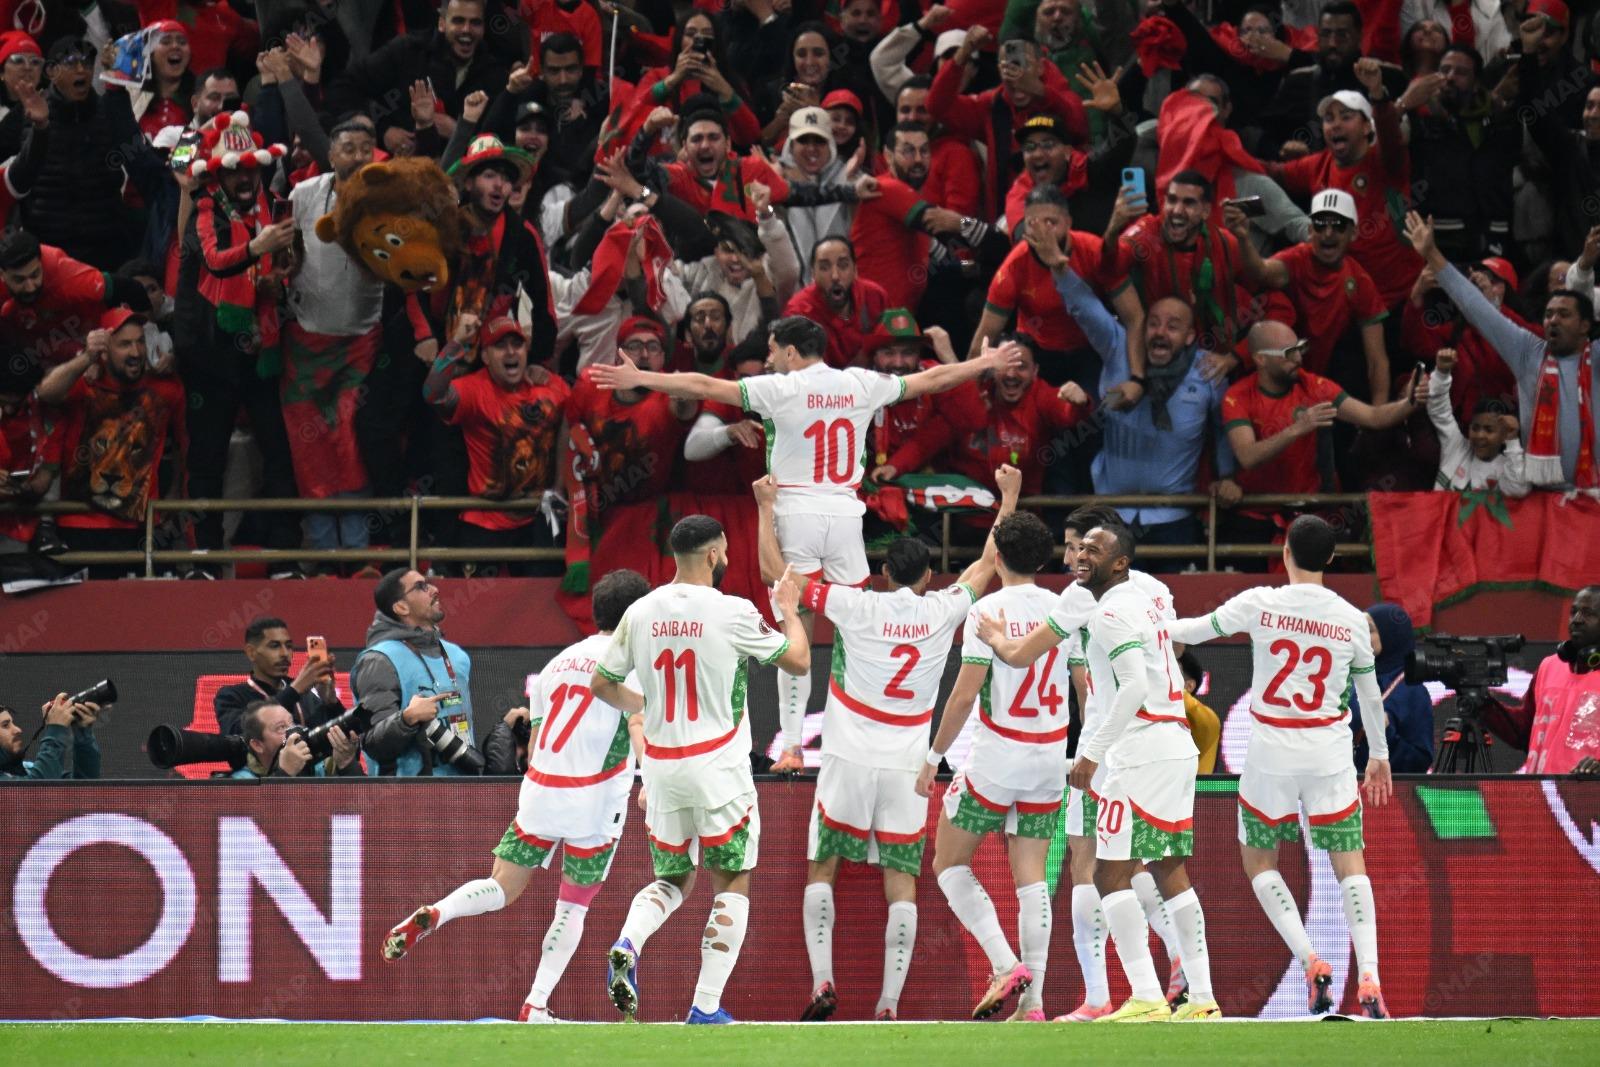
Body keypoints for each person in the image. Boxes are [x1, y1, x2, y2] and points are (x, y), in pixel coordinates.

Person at [589, 315, 1023, 769]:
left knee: (796, 630)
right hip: (845, 517)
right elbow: (932, 380)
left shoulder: (779, 389)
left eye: (774, 350)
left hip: (795, 513)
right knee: (858, 630)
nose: (770, 358)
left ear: (791, 352)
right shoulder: (859, 383)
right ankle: (858, 734)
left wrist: (642, 379)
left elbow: (703, 385)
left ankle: (793, 747)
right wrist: (982, 364)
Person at [756, 465, 1021, 1023]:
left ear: (881, 573)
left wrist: (766, 509)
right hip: (907, 762)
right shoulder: (944, 608)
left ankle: (823, 982)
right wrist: (1009, 498)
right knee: (901, 882)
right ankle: (888, 1005)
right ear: (927, 576)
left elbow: (781, 579)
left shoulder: (856, 605)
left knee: (823, 868)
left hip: (847, 756)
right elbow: (989, 562)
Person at [381, 569, 651, 1023]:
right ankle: (536, 1004)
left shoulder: (555, 665)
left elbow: (537, 738)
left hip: (540, 792)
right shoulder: (634, 668)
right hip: (596, 800)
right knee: (573, 905)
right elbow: (638, 727)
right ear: (636, 619)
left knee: (502, 887)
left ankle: (440, 911)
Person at [1167, 515, 1394, 1019]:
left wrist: (1145, 624)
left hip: (1270, 753)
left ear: (1285, 553)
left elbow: (1195, 630)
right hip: (1329, 753)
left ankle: (1310, 959)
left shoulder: (1261, 602)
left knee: (1260, 863)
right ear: (1331, 558)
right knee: (1350, 865)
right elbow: (1370, 694)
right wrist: (1378, 755)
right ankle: (1371, 975)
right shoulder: (1351, 619)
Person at [590, 515, 812, 1024]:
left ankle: (629, 941)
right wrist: (788, 611)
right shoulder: (732, 611)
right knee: (731, 881)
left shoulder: (640, 612)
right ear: (714, 554)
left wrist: (646, 703)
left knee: (673, 879)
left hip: (663, 770)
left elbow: (602, 684)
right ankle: (705, 1006)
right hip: (719, 769)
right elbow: (799, 661)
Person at [975, 508, 1191, 1019]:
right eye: (1073, 548)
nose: (1074, 558)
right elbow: (1176, 647)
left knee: (1091, 866)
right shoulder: (1154, 589)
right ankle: (1181, 967)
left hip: (1108, 748)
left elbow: (1021, 654)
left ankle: (1108, 994)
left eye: (1082, 547)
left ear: (1111, 556)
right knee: (1144, 864)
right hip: (1160, 739)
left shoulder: (1081, 597)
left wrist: (995, 638)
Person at [913, 512, 1069, 1022]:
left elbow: (963, 696)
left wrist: (932, 758)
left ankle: (1004, 964)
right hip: (1050, 756)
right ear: (1043, 559)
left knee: (949, 863)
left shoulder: (987, 612)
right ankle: (1034, 1004)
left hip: (998, 757)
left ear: (996, 557)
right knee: (1032, 880)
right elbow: (1085, 688)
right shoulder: (1065, 609)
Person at [1066, 524, 1217, 1021]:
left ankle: (1147, 996)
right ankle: (1202, 999)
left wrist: (1091, 754)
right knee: (1169, 868)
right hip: (1174, 743)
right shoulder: (1147, 602)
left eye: (1095, 550)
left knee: (1108, 872)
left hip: (1141, 748)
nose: (1083, 555)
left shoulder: (1109, 613)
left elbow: (1132, 688)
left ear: (1120, 563)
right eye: (1081, 547)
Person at [1038, 224, 1234, 559]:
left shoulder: (1209, 370)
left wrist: (1227, 476)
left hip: (1175, 519)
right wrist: (1060, 269)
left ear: (1190, 336)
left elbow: (1223, 429)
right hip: (1112, 516)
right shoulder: (1119, 349)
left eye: (1173, 327)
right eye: (1153, 323)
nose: (1160, 332)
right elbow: (1086, 309)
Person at [175, 109, 301, 561]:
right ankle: (205, 556)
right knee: (207, 457)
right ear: (218, 176)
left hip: (260, 351)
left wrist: (277, 278)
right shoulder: (205, 210)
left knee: (278, 451)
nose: (245, 178)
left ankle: (284, 554)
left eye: (251, 169)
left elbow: (282, 267)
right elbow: (214, 261)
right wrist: (256, 249)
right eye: (235, 171)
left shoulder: (274, 206)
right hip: (209, 357)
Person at [1406, 212, 1600, 492]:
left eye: (1564, 314)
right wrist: (1432, 254)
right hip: (1542, 500)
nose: (1553, 320)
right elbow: (1474, 305)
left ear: (1585, 326)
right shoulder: (1528, 353)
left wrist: (1583, 269)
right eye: (1548, 314)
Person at [1216, 319, 1422, 547]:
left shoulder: (1314, 386)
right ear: (1260, 359)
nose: (1298, 358)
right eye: (1289, 353)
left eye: (1300, 348)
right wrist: (1297, 428)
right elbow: (1248, 456)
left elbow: (1373, 417)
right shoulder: (1238, 396)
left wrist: (1410, 402)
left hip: (1308, 513)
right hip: (1254, 514)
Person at [35, 310, 187, 574]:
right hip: (79, 522)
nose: (136, 352)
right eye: (125, 344)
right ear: (105, 352)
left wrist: (175, 490)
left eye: (140, 342)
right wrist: (87, 357)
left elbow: (186, 445)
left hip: (142, 525)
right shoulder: (85, 384)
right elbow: (46, 392)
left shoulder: (166, 389)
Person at [424, 312, 569, 576]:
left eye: (517, 344)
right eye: (500, 346)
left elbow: (577, 422)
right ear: (485, 357)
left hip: (537, 520)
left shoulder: (551, 386)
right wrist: (456, 342)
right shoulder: (474, 389)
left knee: (542, 596)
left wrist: (559, 488)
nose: (511, 352)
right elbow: (433, 394)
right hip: (485, 522)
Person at [1231, 189, 1391, 403]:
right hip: (1268, 379)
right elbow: (1260, 271)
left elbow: (1377, 361)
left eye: (1338, 225)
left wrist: (1380, 415)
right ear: (1309, 230)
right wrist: (1243, 238)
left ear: (1353, 233)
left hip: (1315, 384)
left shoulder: (1359, 281)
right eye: (1320, 225)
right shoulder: (1295, 260)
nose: (1328, 233)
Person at [352, 568, 474, 777]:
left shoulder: (457, 656)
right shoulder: (379, 660)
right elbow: (373, 744)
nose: (434, 590)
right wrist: (406, 720)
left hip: (465, 789)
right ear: (401, 607)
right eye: (421, 587)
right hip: (406, 794)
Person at [1483, 586, 1600, 775]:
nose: (1577, 620)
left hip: (1587, 793)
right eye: (1573, 612)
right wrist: (1484, 705)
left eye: (1588, 614)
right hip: (1541, 790)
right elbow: (1523, 733)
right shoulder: (1549, 666)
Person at [1425, 348, 1529, 497]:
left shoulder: (1506, 468)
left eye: (1489, 430)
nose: (1480, 435)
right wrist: (1441, 373)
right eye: (1475, 428)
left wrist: (1512, 441)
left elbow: (1518, 489)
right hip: (1441, 513)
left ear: (1503, 435)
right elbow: (1439, 410)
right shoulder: (1456, 446)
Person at [214, 616, 341, 737]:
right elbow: (238, 733)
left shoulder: (306, 695)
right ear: (251, 652)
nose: (285, 653)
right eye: (274, 646)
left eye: (289, 646)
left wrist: (331, 703)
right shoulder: (232, 696)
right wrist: (294, 690)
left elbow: (343, 739)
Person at [782, 237, 889, 369]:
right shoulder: (800, 312)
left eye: (843, 266)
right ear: (813, 273)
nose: (835, 276)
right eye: (824, 268)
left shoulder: (874, 296)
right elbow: (797, 372)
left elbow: (894, 348)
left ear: (855, 269)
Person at [1358, 603, 1435, 775]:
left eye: (1369, 630)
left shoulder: (1412, 691)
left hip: (1390, 789)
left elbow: (1419, 762)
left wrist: (1385, 732)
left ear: (1390, 635)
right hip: (1345, 787)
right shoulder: (1352, 680)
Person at [230, 699, 363, 779]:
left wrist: (347, 765)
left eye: (292, 722)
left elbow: (367, 807)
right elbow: (261, 814)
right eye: (281, 727)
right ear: (258, 745)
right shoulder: (241, 782)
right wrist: (285, 774)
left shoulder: (322, 767)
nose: (294, 731)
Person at [0, 692, 101, 779]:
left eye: (12, 724)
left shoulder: (27, 770)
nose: (18, 730)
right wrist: (56, 729)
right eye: (5, 725)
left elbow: (83, 786)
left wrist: (82, 733)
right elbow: (37, 790)